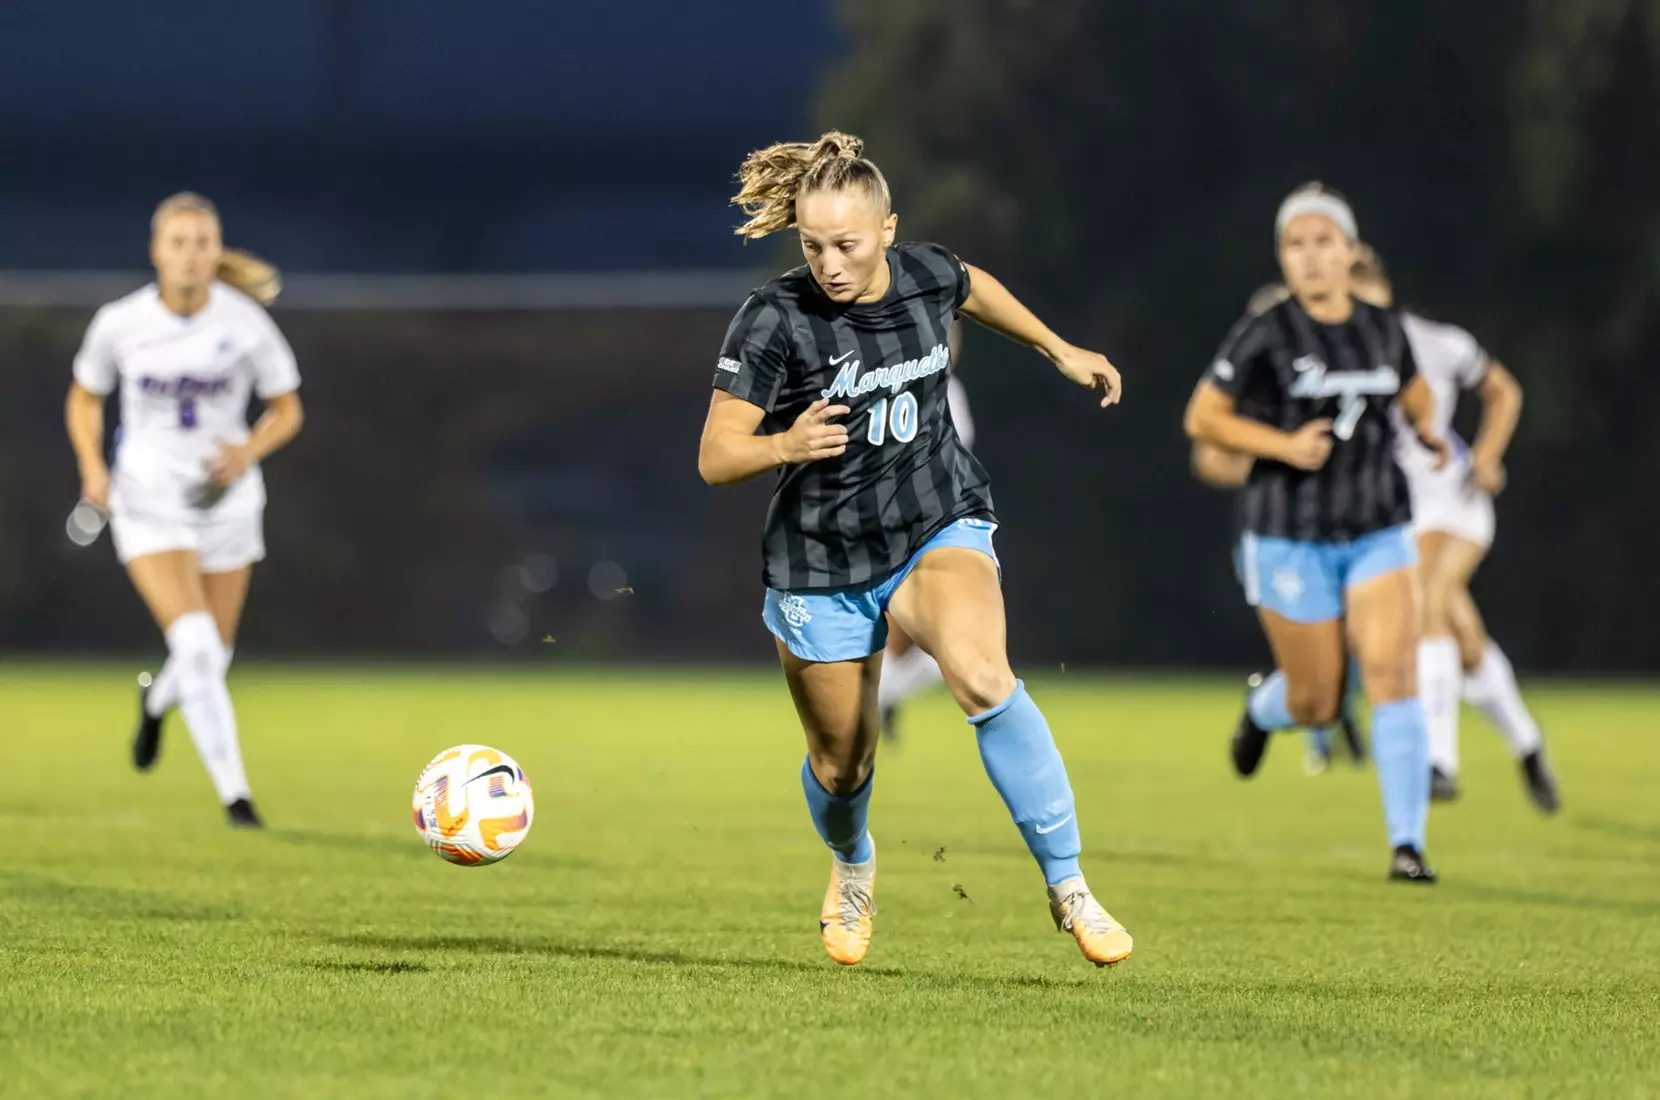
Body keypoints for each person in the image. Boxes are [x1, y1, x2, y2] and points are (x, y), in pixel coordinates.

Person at [698, 131, 1131, 967]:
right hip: (820, 560)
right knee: (841, 765)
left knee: (983, 676)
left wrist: (1060, 350)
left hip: (935, 519)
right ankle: (853, 861)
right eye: (814, 244)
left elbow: (975, 287)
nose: (829, 263)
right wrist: (785, 446)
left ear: (888, 230)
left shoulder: (928, 273)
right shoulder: (774, 318)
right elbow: (717, 457)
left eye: (848, 244)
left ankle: (1071, 887)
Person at [1184, 183, 1450, 883]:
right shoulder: (1266, 331)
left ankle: (1408, 845)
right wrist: (1279, 444)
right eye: (1295, 245)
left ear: (1348, 251)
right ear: (1283, 257)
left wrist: (1429, 431)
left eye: (1322, 242)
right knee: (1319, 702)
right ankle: (1261, 709)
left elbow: (1414, 389)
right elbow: (1202, 418)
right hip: (1289, 535)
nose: (1309, 256)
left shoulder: (1383, 327)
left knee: (1394, 673)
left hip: (1377, 527)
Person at [64, 192, 304, 828]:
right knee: (195, 643)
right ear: (156, 252)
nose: (192, 255)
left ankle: (154, 705)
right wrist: (94, 468)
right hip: (149, 498)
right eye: (179, 242)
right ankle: (238, 799)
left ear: (216, 251)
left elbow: (288, 409)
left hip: (227, 503)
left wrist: (247, 450)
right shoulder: (121, 322)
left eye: (203, 243)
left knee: (210, 658)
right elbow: (85, 398)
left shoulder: (246, 320)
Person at [1360, 270, 1561, 812]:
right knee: (1463, 634)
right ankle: (1527, 742)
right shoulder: (1337, 356)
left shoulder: (1435, 342)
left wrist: (1490, 454)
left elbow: (1503, 389)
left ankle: (1440, 761)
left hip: (1455, 499)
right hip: (1399, 513)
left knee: (1425, 598)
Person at [878, 320, 972, 740]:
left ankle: (879, 694)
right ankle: (875, 694)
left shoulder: (948, 387)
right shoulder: (907, 385)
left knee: (941, 646)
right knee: (950, 644)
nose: (950, 345)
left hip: (934, 526)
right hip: (912, 527)